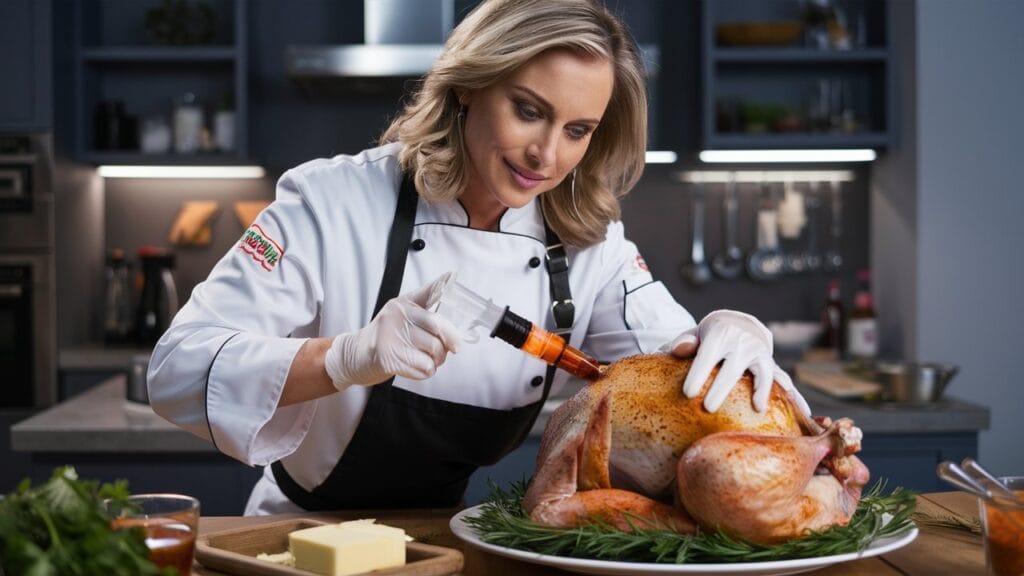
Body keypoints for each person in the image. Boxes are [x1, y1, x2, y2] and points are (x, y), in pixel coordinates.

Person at [148, 0, 810, 515]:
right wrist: (347, 356)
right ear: (469, 87)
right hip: (296, 535)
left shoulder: (586, 242)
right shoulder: (330, 200)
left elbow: (683, 378)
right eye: (528, 110)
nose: (546, 156)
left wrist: (732, 332)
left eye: (577, 130)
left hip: (447, 539)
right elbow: (178, 369)